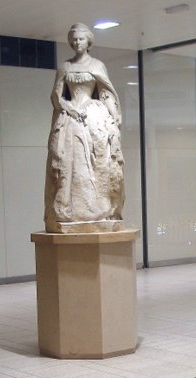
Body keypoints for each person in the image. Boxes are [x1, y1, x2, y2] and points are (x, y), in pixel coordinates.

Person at [44, 23, 124, 231]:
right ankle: (68, 208)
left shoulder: (97, 65)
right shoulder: (65, 66)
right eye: (74, 39)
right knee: (69, 161)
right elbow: (56, 95)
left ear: (89, 41)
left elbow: (105, 92)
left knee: (98, 161)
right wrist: (68, 108)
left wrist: (114, 116)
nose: (77, 42)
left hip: (92, 115)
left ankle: (97, 207)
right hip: (71, 116)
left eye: (81, 39)